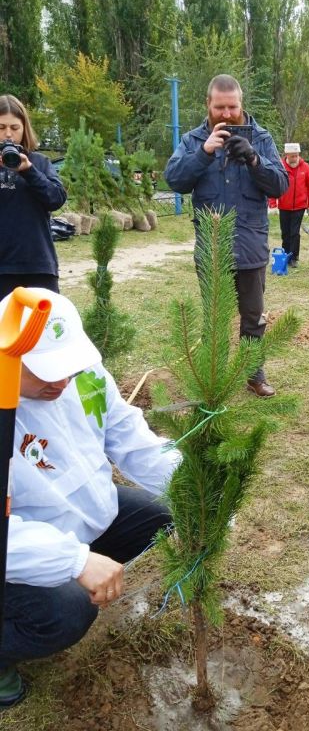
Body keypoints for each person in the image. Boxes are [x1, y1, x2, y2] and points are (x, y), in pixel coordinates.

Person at [0, 289, 178, 708]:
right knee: (68, 613)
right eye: (44, 371)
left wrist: (194, 487)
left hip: (77, 512)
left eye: (66, 366)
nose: (60, 381)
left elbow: (131, 440)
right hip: (16, 545)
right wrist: (74, 561)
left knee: (165, 517)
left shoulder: (84, 376)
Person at [164, 74, 288, 398]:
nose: (226, 114)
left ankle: (253, 374)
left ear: (240, 104)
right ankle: (212, 376)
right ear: (209, 104)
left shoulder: (260, 138)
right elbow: (174, 180)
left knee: (252, 316)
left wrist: (254, 159)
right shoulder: (193, 140)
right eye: (219, 107)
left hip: (250, 245)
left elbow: (280, 185)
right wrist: (204, 153)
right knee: (213, 318)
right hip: (211, 248)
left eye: (232, 106)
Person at [0, 95, 67, 301]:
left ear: (24, 128)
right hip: (2, 268)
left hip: (38, 265)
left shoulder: (39, 162)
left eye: (14, 127)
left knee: (43, 331)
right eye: (1, 127)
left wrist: (28, 170)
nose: (8, 134)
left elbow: (56, 199)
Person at [268, 143, 309, 268]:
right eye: (292, 156)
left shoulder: (305, 167)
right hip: (284, 205)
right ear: (286, 155)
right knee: (285, 232)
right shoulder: (280, 167)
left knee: (295, 233)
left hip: (299, 206)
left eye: (296, 156)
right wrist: (272, 203)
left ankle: (294, 257)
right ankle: (285, 255)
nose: (294, 158)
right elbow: (274, 184)